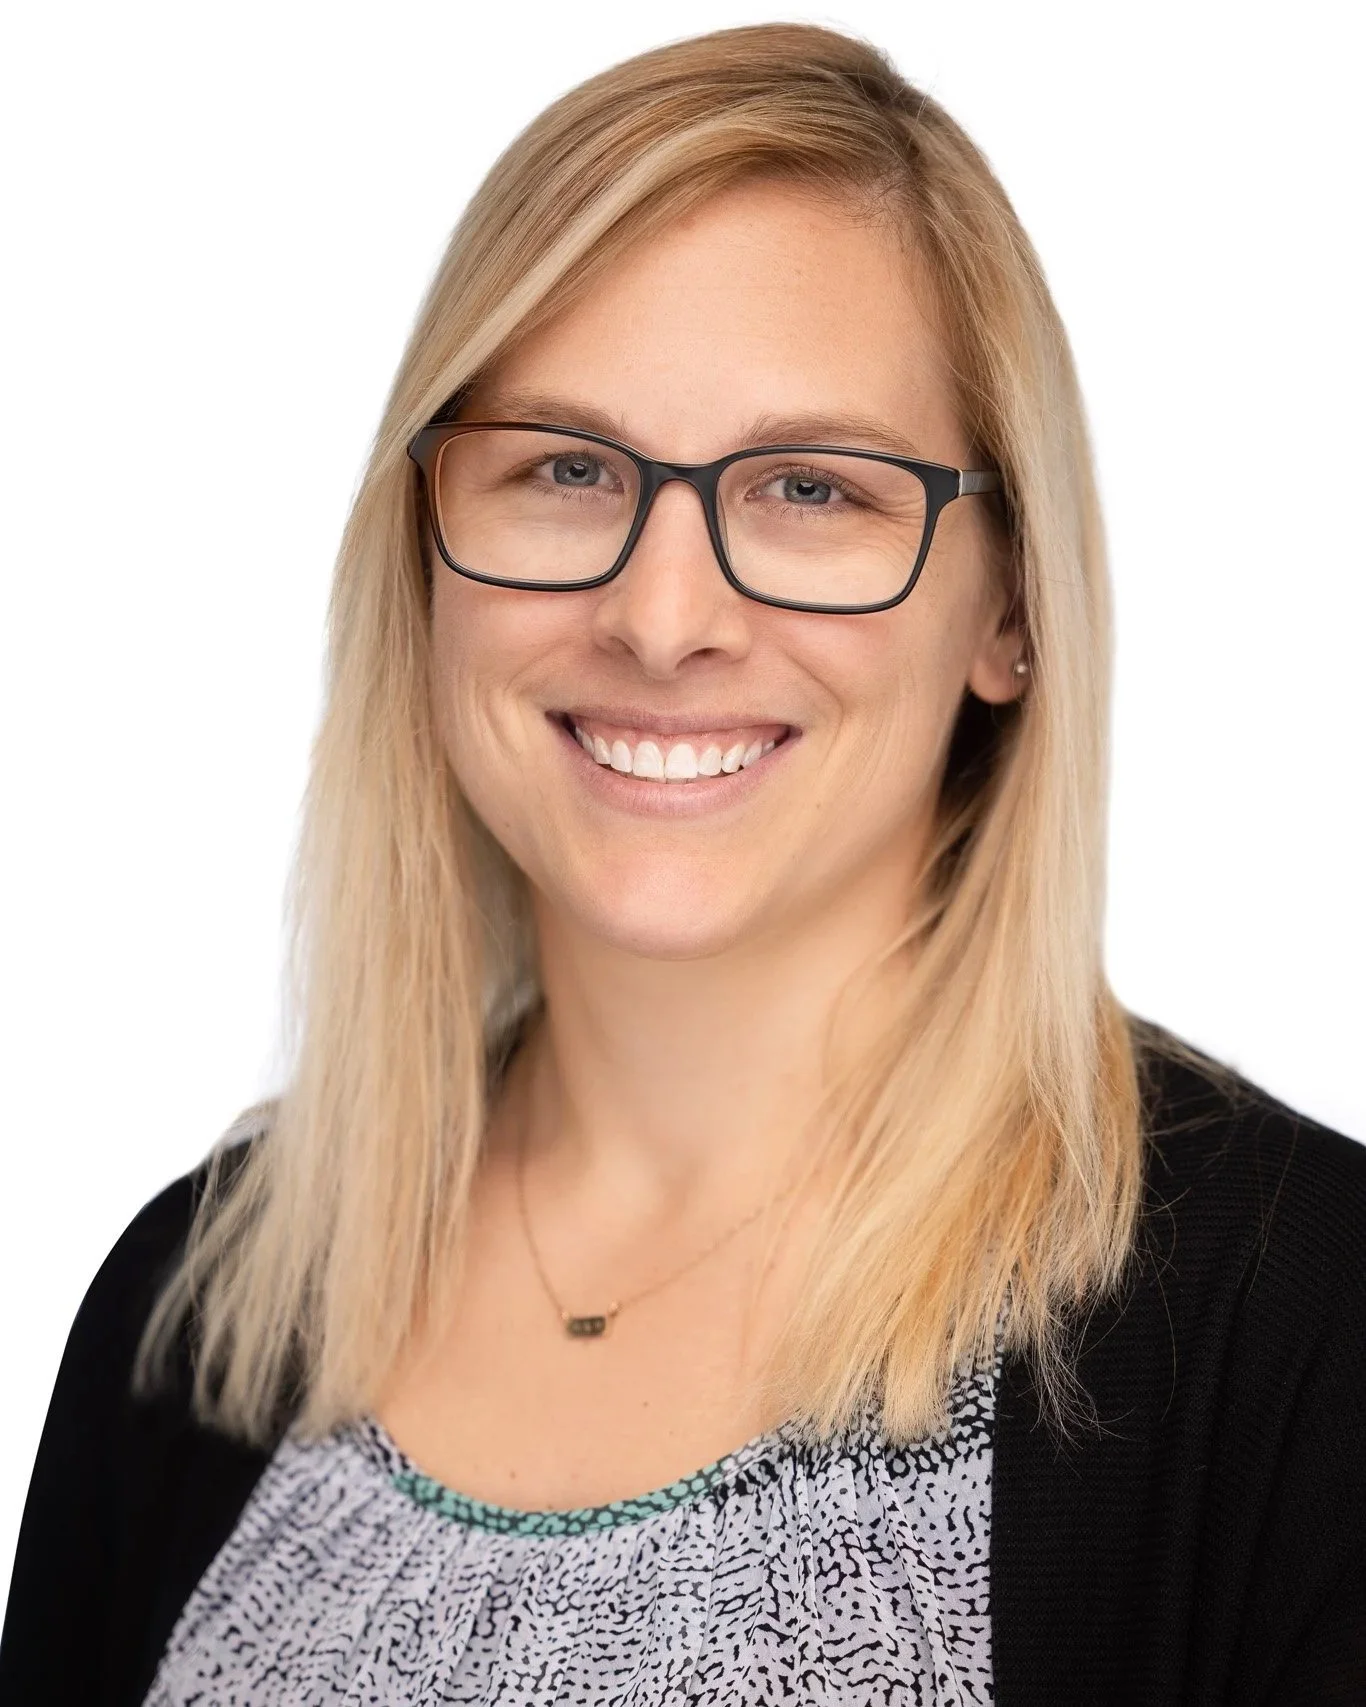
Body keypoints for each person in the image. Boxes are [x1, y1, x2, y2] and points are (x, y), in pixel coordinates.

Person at [2, 21, 1362, 1706]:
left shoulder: (1303, 1327)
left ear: (1007, 604)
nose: (662, 619)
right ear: (423, 556)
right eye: (566, 469)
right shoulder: (196, 1307)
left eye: (807, 488)